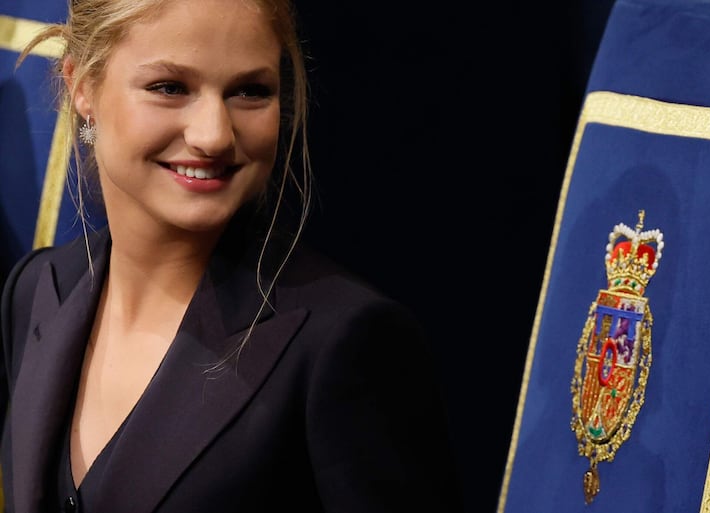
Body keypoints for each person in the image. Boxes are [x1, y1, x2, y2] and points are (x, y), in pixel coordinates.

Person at [0, 0, 463, 511]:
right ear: (81, 86)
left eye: (250, 91)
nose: (213, 134)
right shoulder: (35, 291)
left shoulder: (345, 341)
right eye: (170, 88)